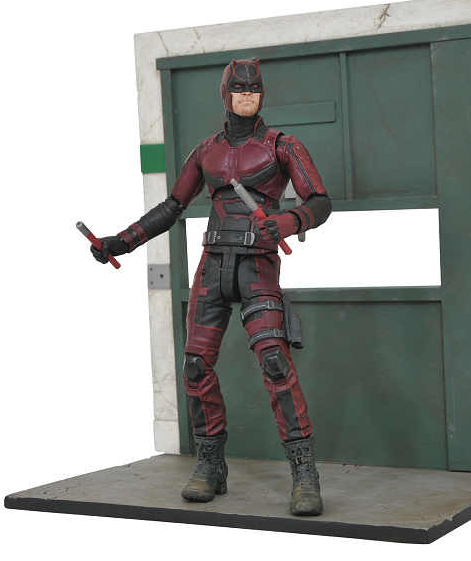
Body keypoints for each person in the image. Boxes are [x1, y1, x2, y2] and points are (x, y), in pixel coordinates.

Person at [91, 59, 332, 516]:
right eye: (239, 88)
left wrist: (289, 221)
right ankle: (210, 465)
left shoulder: (283, 145)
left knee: (275, 362)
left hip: (258, 264)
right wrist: (121, 241)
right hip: (213, 266)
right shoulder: (206, 151)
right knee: (195, 366)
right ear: (226, 94)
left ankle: (305, 474)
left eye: (254, 89)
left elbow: (320, 201)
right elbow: (171, 206)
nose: (247, 95)